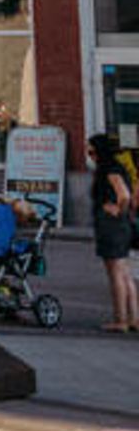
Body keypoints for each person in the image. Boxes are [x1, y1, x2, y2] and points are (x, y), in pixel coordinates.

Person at [88, 133, 138, 332]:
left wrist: (119, 209)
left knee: (116, 274)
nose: (89, 154)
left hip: (111, 227)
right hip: (121, 225)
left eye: (91, 150)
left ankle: (120, 320)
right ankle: (133, 318)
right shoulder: (118, 167)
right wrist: (126, 212)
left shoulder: (109, 169)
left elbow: (124, 195)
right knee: (125, 274)